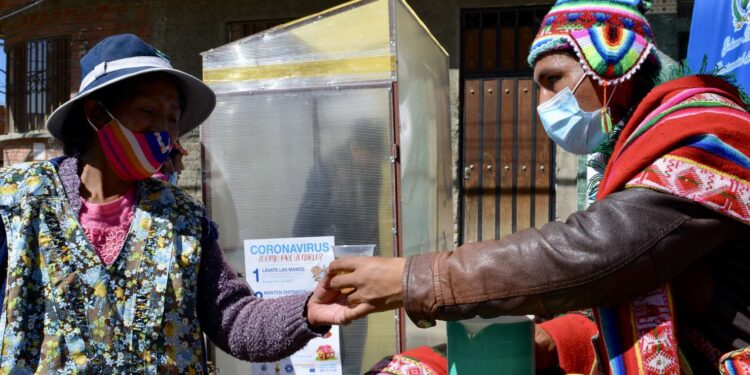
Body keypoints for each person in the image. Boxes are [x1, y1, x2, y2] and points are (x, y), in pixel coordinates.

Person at [328, 1, 750, 374]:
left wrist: (414, 278)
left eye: (553, 79)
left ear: (611, 59)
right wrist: (552, 341)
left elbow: (596, 254)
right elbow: (613, 286)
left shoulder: (706, 134)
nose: (544, 103)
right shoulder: (631, 149)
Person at [0, 34, 348, 373]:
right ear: (97, 114)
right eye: (148, 111)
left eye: (172, 118)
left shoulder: (182, 217)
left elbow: (233, 318)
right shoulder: (20, 203)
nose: (162, 131)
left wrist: (307, 312)